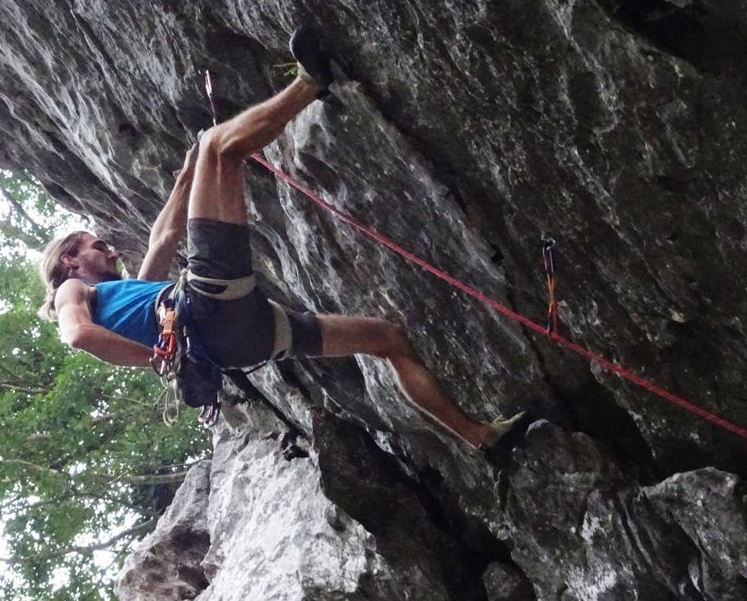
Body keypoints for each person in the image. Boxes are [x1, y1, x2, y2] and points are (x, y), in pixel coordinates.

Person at [40, 27, 528, 460]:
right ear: (69, 260)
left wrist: (187, 178)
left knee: (387, 339)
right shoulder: (75, 293)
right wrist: (162, 359)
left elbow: (165, 236)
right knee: (219, 146)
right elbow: (78, 335)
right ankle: (310, 82)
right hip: (207, 315)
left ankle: (482, 439)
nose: (107, 248)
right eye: (94, 244)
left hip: (247, 338)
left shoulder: (135, 301)